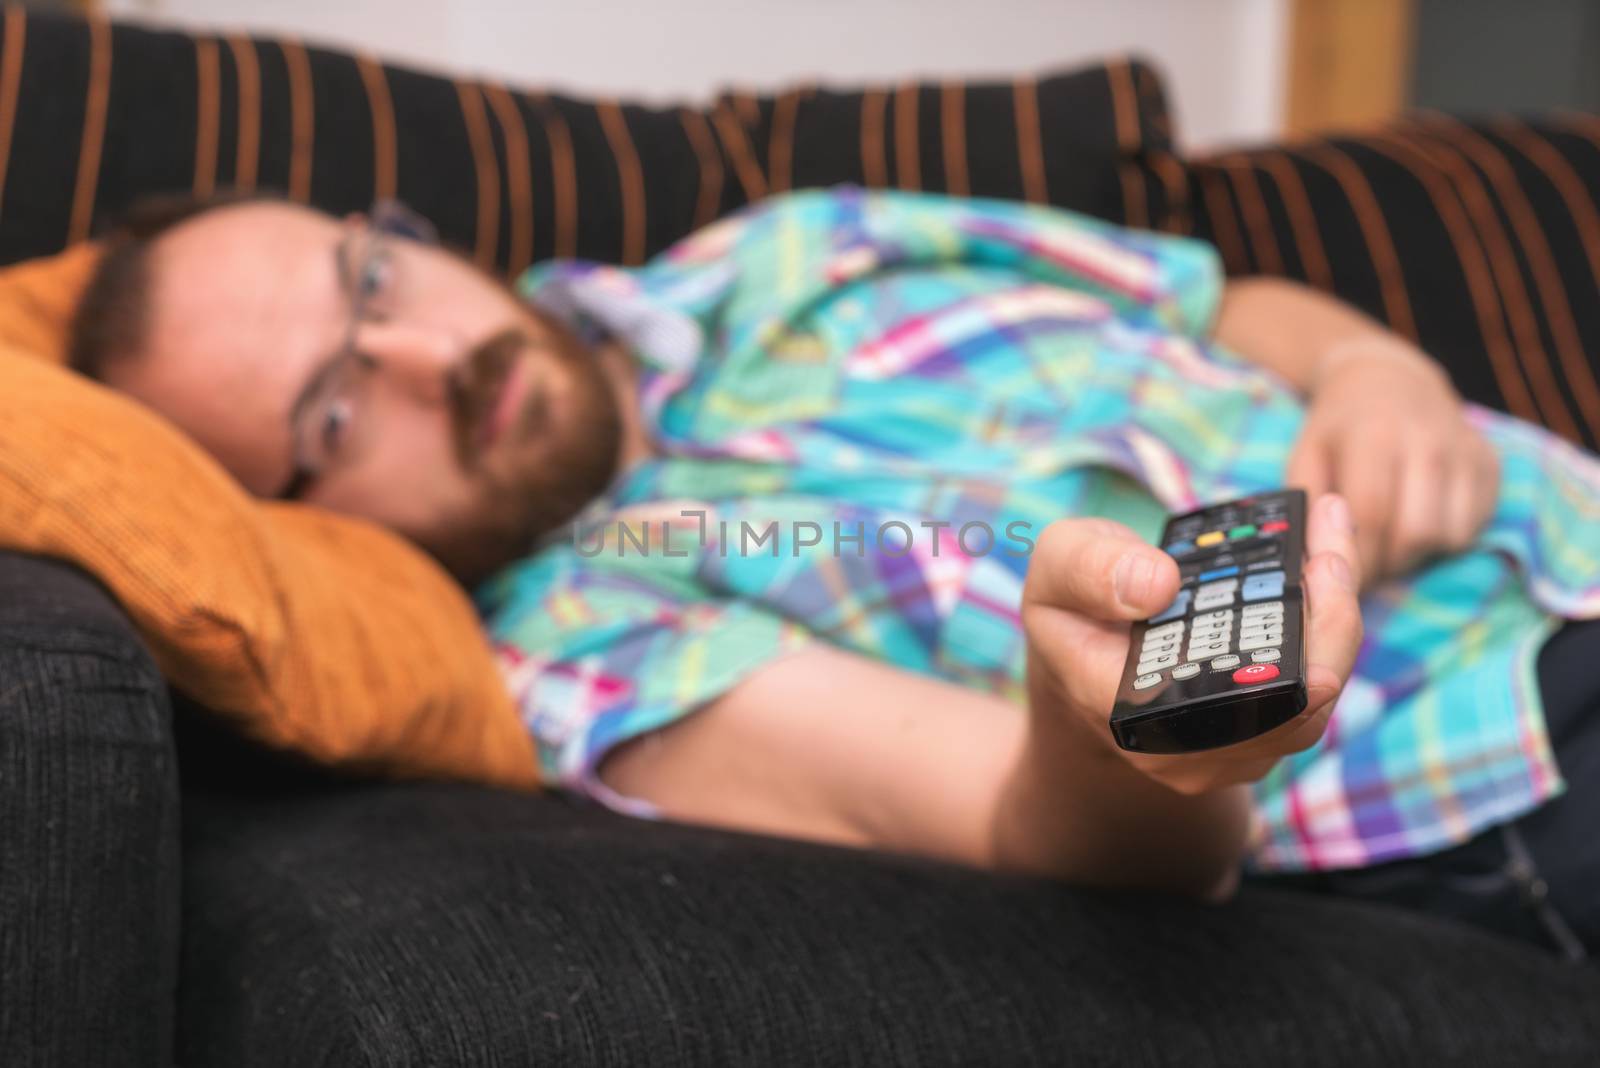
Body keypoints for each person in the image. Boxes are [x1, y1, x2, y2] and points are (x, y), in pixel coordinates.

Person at [67, 187, 1599, 956]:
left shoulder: (800, 240)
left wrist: (1377, 366)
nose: (433, 358)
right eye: (334, 411)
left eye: (370, 278)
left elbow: (1222, 298)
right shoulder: (576, 644)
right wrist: (1122, 723)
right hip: (1496, 766)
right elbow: (1064, 833)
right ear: (307, 524)